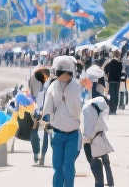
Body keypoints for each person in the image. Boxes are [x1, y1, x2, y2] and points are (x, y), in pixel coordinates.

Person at [42, 55, 82, 187]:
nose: (64, 77)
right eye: (61, 73)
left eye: (66, 74)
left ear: (71, 73)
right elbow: (47, 107)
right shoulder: (53, 86)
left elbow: (77, 109)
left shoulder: (76, 86)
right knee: (57, 166)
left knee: (68, 166)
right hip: (57, 133)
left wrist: (65, 98)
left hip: (72, 133)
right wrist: (46, 119)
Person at [80, 78, 115, 187]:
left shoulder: (89, 111)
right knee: (106, 162)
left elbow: (87, 131)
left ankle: (100, 183)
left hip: (93, 141)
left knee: (95, 165)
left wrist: (86, 141)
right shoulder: (99, 112)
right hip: (101, 137)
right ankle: (110, 183)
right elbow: (104, 126)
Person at [29, 67, 52, 166]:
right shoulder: (44, 84)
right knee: (46, 135)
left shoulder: (46, 84)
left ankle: (41, 156)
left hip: (43, 112)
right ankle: (39, 155)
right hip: (43, 112)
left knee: (45, 135)